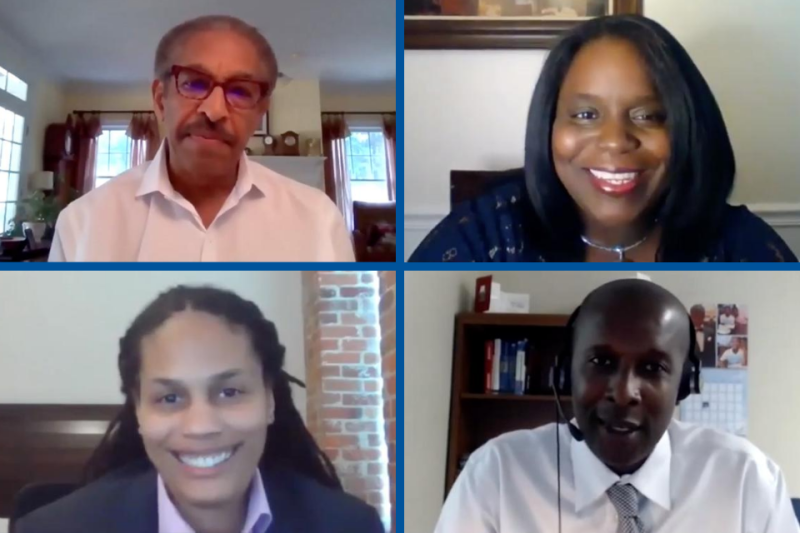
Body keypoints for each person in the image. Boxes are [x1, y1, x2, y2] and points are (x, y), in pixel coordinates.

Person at [409, 15, 797, 262]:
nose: (614, 141)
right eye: (585, 115)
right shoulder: (484, 234)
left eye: (647, 116)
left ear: (687, 128)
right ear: (548, 127)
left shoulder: (739, 245)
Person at [434, 279, 798, 532]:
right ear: (564, 375)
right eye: (601, 363)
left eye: (653, 368)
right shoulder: (495, 475)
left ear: (685, 385)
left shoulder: (747, 480)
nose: (624, 393)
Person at [14, 286, 383, 533]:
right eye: (170, 398)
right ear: (138, 411)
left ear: (269, 399)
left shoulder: (351, 525)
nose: (201, 425)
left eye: (230, 391)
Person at [48, 15, 354, 262]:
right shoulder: (81, 224)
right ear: (159, 99)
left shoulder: (318, 219)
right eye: (194, 84)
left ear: (261, 111)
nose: (215, 110)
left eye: (240, 91)